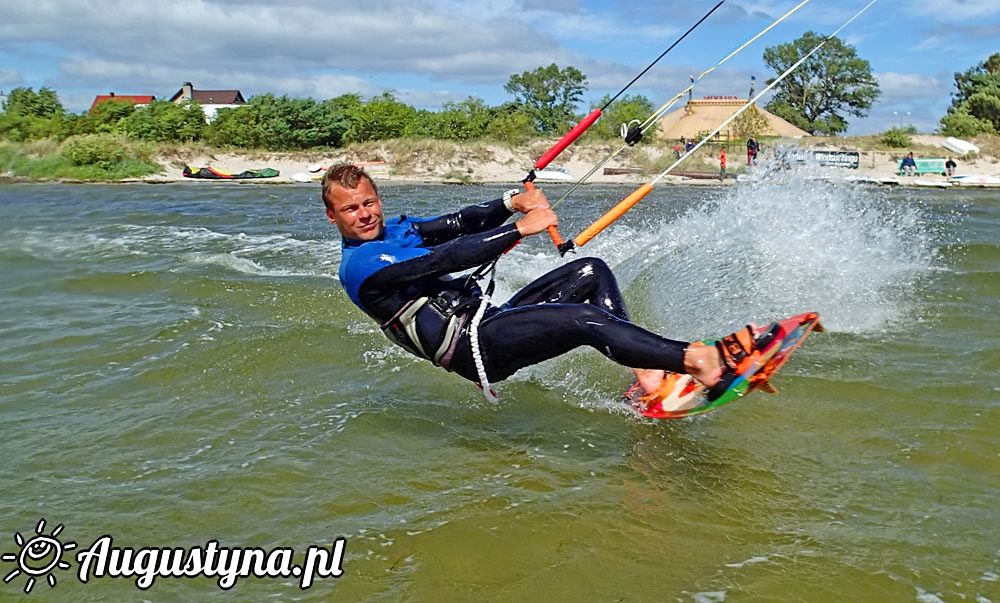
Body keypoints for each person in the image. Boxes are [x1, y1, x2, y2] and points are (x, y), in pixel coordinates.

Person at [322, 164, 780, 409]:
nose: (364, 214)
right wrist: (520, 229)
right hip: (472, 349)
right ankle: (697, 360)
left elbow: (459, 222)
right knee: (584, 321)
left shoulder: (394, 231)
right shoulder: (360, 265)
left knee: (590, 271)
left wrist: (510, 202)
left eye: (369, 202)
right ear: (333, 217)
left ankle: (648, 374)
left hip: (487, 321)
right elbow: (448, 257)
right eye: (350, 210)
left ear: (378, 198)